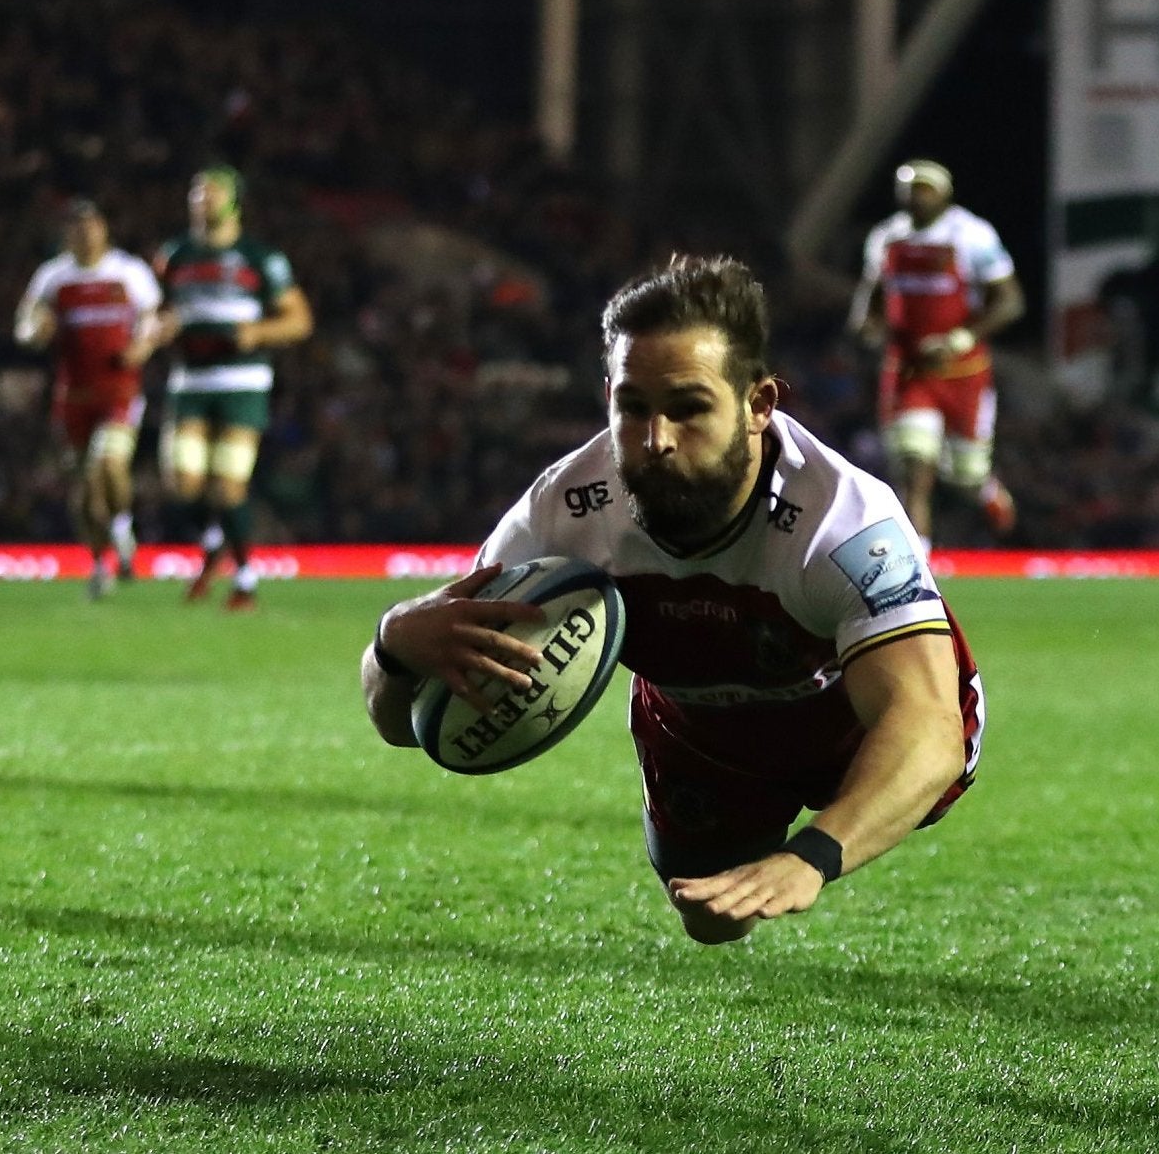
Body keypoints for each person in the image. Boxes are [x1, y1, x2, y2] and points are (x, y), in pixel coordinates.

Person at [361, 255, 985, 945]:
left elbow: (927, 732)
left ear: (758, 405)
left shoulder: (843, 521)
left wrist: (813, 855)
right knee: (710, 918)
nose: (654, 440)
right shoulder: (561, 512)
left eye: (688, 408)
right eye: (632, 407)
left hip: (844, 719)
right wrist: (391, 645)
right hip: (699, 729)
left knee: (906, 784)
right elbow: (400, 723)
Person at [151, 166, 312, 609]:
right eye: (195, 190)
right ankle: (213, 537)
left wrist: (257, 333)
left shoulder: (261, 258)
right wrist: (157, 327)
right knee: (181, 484)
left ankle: (244, 579)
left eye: (212, 191)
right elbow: (155, 310)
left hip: (242, 382)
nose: (202, 198)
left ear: (235, 200)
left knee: (227, 488)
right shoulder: (173, 255)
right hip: (190, 380)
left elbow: (299, 320)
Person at [849, 159, 1025, 554]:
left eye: (925, 188)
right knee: (915, 468)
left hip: (964, 372)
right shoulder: (886, 237)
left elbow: (1011, 301)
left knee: (965, 476)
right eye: (910, 188)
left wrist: (961, 337)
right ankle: (920, 563)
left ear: (944, 192)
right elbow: (873, 293)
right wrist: (866, 323)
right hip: (909, 371)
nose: (917, 196)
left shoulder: (972, 235)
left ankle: (986, 489)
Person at [13, 198, 163, 599]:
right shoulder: (53, 277)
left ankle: (122, 527)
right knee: (84, 492)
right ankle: (101, 563)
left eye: (90, 225)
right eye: (75, 227)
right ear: (67, 234)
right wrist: (34, 332)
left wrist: (142, 346)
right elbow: (26, 322)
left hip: (119, 391)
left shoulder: (128, 272)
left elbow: (153, 318)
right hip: (74, 396)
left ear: (104, 229)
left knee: (108, 466)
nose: (84, 233)